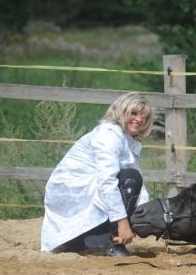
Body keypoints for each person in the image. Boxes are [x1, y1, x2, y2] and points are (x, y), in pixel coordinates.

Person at [41, 92, 154, 257]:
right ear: (121, 113)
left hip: (88, 188)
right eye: (134, 113)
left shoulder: (130, 141)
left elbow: (139, 183)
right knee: (129, 179)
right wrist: (123, 224)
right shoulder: (108, 135)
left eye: (144, 116)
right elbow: (107, 181)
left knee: (132, 178)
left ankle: (80, 241)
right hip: (71, 192)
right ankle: (113, 244)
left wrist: (143, 217)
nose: (139, 119)